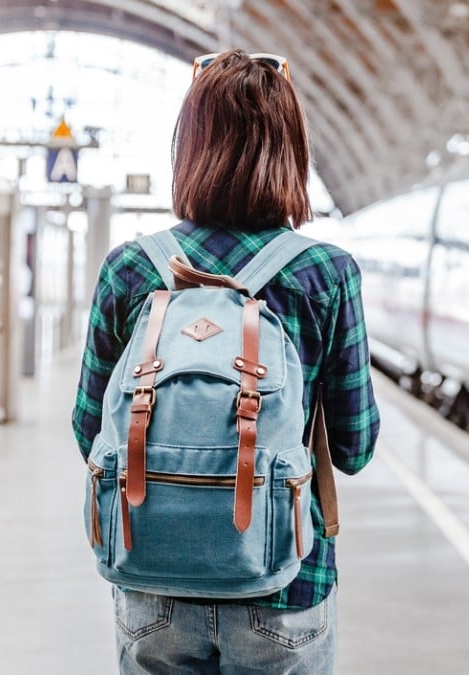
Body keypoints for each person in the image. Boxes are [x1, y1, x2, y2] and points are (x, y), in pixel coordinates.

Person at [71, 50, 380, 674]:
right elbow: (354, 447)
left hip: (150, 576)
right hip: (285, 581)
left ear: (189, 147)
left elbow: (87, 431)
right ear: (291, 150)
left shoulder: (132, 269)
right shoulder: (325, 273)